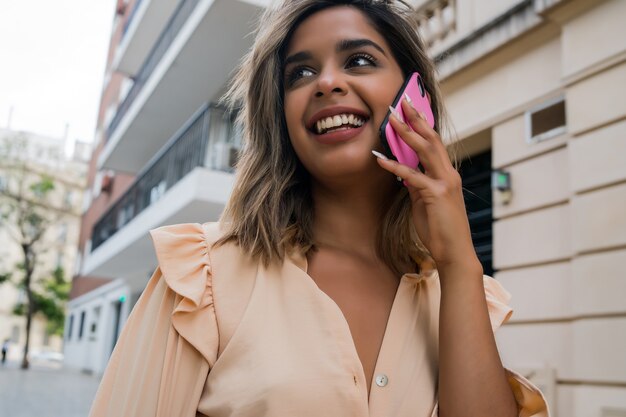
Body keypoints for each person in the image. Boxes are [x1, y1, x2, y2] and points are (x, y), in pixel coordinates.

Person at [89, 1, 549, 416]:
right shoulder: (201, 279)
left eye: (360, 60)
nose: (327, 82)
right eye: (300, 74)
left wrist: (459, 263)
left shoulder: (459, 296)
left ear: (414, 96)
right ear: (281, 116)